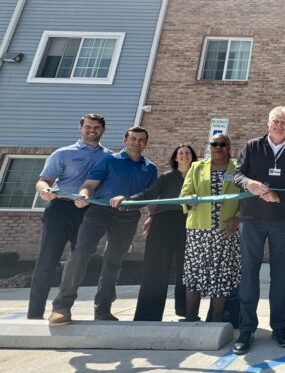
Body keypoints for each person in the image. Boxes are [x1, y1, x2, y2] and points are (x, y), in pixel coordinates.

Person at [48, 127, 157, 325]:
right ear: (126, 140)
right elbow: (89, 185)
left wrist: (151, 215)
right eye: (133, 138)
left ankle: (103, 309)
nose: (137, 142)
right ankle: (61, 307)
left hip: (129, 216)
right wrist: (83, 196)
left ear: (146, 143)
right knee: (81, 252)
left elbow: (150, 195)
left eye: (141, 139)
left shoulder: (150, 168)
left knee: (113, 262)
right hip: (99, 212)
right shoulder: (108, 160)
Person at [233, 107, 285, 353]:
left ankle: (279, 327)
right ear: (268, 124)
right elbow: (237, 174)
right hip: (252, 219)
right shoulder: (252, 146)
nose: (279, 126)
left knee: (280, 276)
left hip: (282, 220)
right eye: (276, 121)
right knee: (249, 272)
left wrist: (278, 197)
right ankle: (246, 329)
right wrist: (249, 183)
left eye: (284, 123)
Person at [28, 114, 112, 320]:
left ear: (103, 130)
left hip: (89, 213)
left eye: (97, 127)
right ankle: (35, 313)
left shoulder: (109, 157)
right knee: (47, 260)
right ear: (80, 127)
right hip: (60, 209)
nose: (92, 130)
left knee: (78, 261)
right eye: (88, 126)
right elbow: (43, 180)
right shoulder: (63, 153)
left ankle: (62, 309)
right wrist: (45, 189)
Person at [112, 144, 198, 321]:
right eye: (180, 153)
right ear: (175, 158)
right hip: (163, 222)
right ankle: (148, 313)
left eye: (187, 153)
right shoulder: (167, 177)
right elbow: (150, 194)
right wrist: (127, 200)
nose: (184, 156)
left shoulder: (199, 177)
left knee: (187, 268)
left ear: (192, 157)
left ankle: (186, 311)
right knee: (155, 268)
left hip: (189, 223)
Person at [178, 134, 241, 324]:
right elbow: (184, 194)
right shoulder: (197, 167)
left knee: (220, 276)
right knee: (195, 275)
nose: (218, 147)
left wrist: (237, 219)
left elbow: (247, 199)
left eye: (223, 144)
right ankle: (190, 318)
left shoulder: (238, 170)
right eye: (215, 144)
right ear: (210, 147)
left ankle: (216, 320)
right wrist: (190, 199)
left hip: (226, 231)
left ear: (229, 147)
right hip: (199, 230)